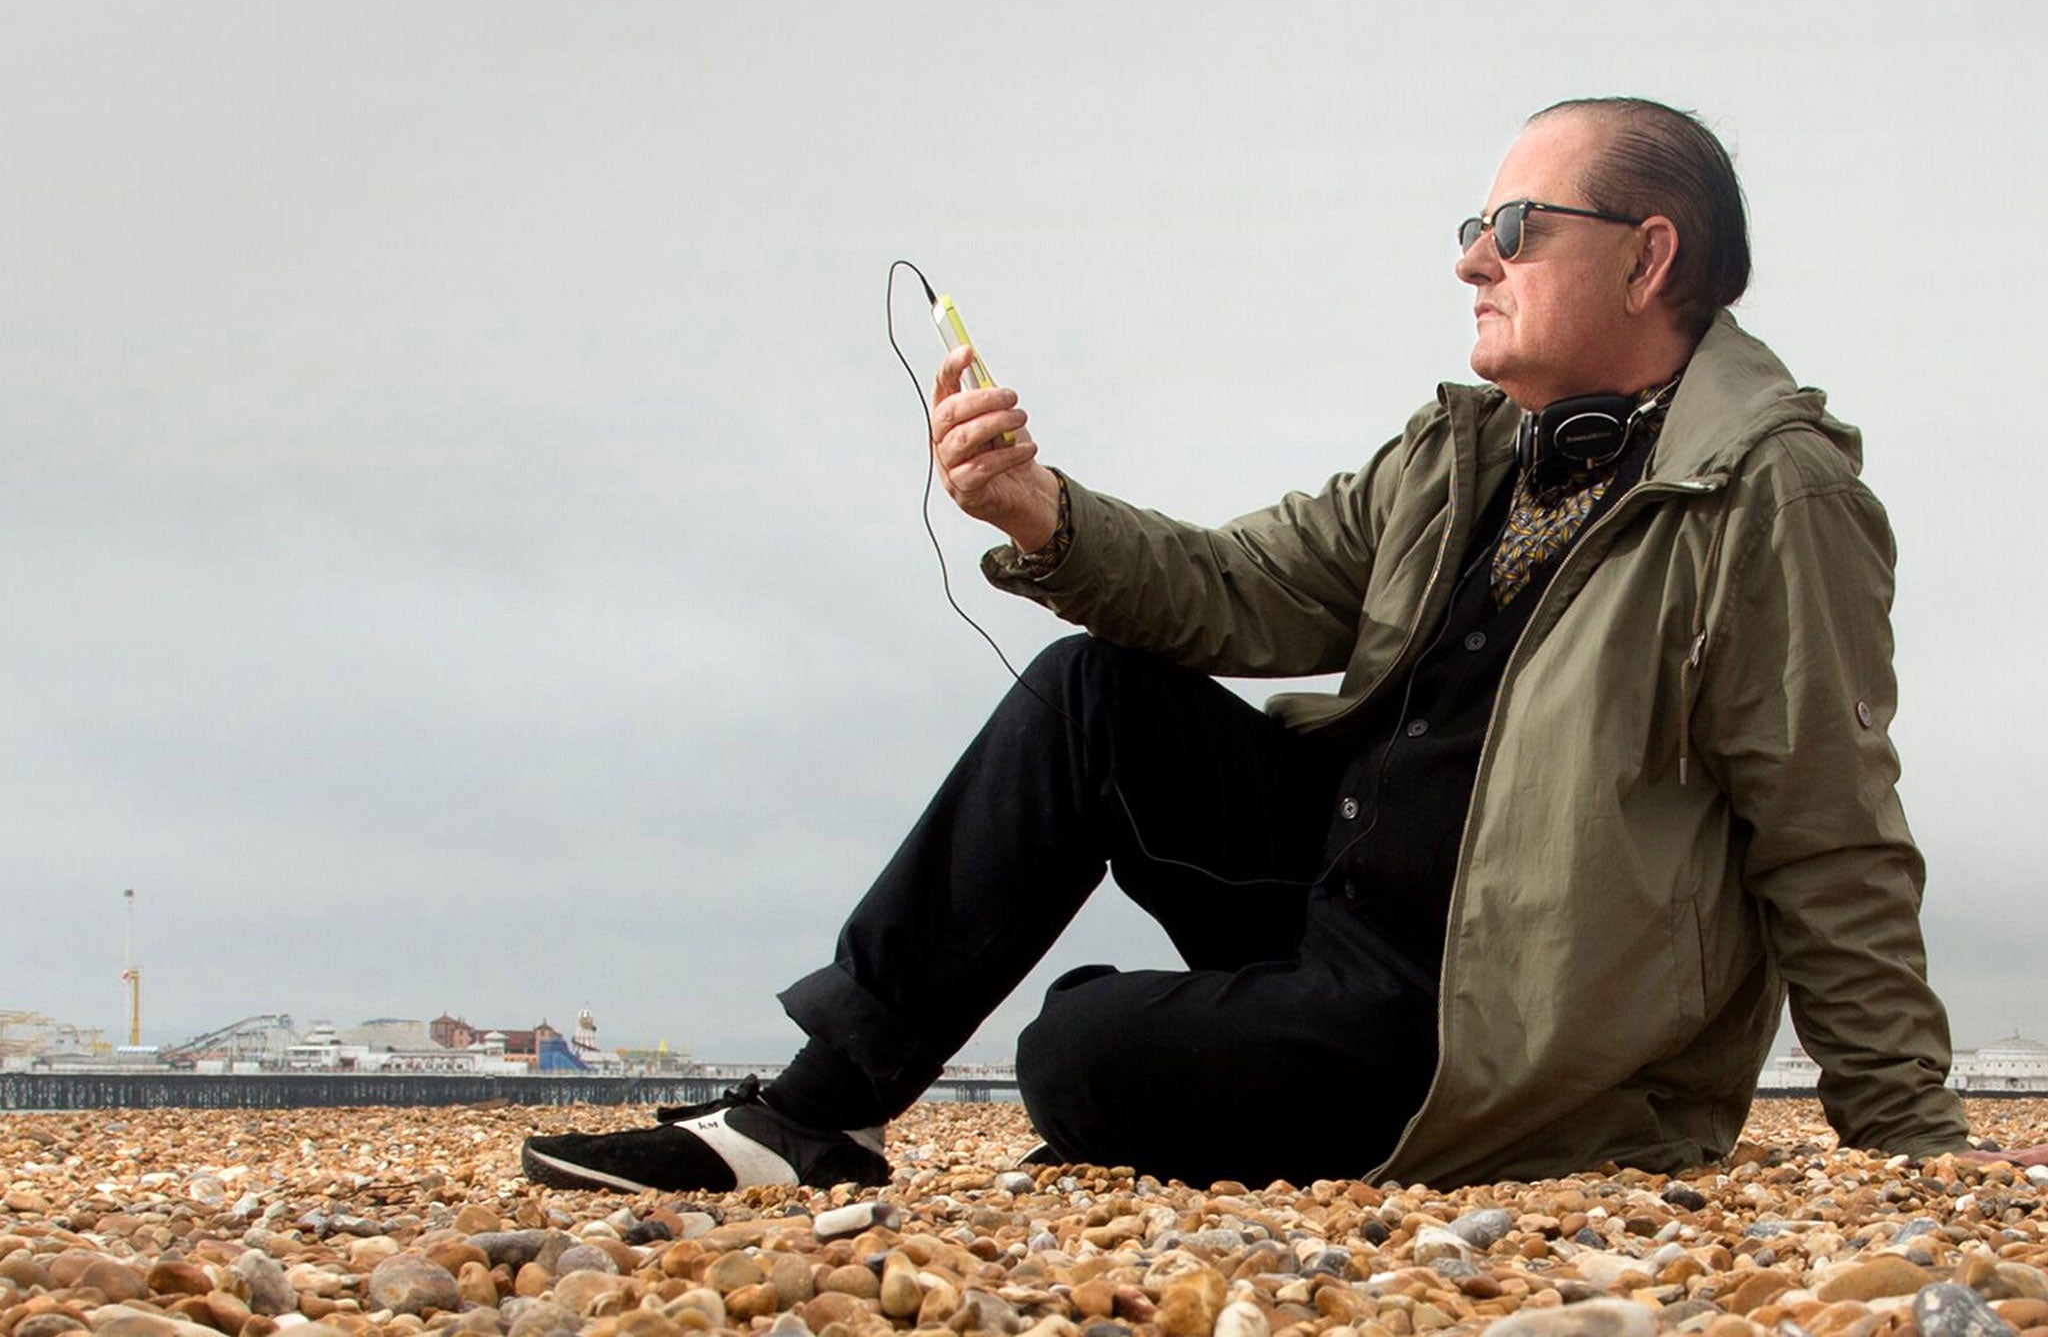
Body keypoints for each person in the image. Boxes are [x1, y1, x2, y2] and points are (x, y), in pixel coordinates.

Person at [521, 97, 2005, 1195]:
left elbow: (1829, 830)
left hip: (1490, 1020)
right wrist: (1042, 513)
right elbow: (1235, 587)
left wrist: (1911, 1151)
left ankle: (1153, 1049)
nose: (1473, 261)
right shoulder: (1461, 455)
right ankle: (809, 1115)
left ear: (1648, 256)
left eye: (1513, 229)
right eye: (1468, 230)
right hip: (1331, 900)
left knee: (1077, 1057)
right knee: (1095, 691)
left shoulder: (1773, 496)